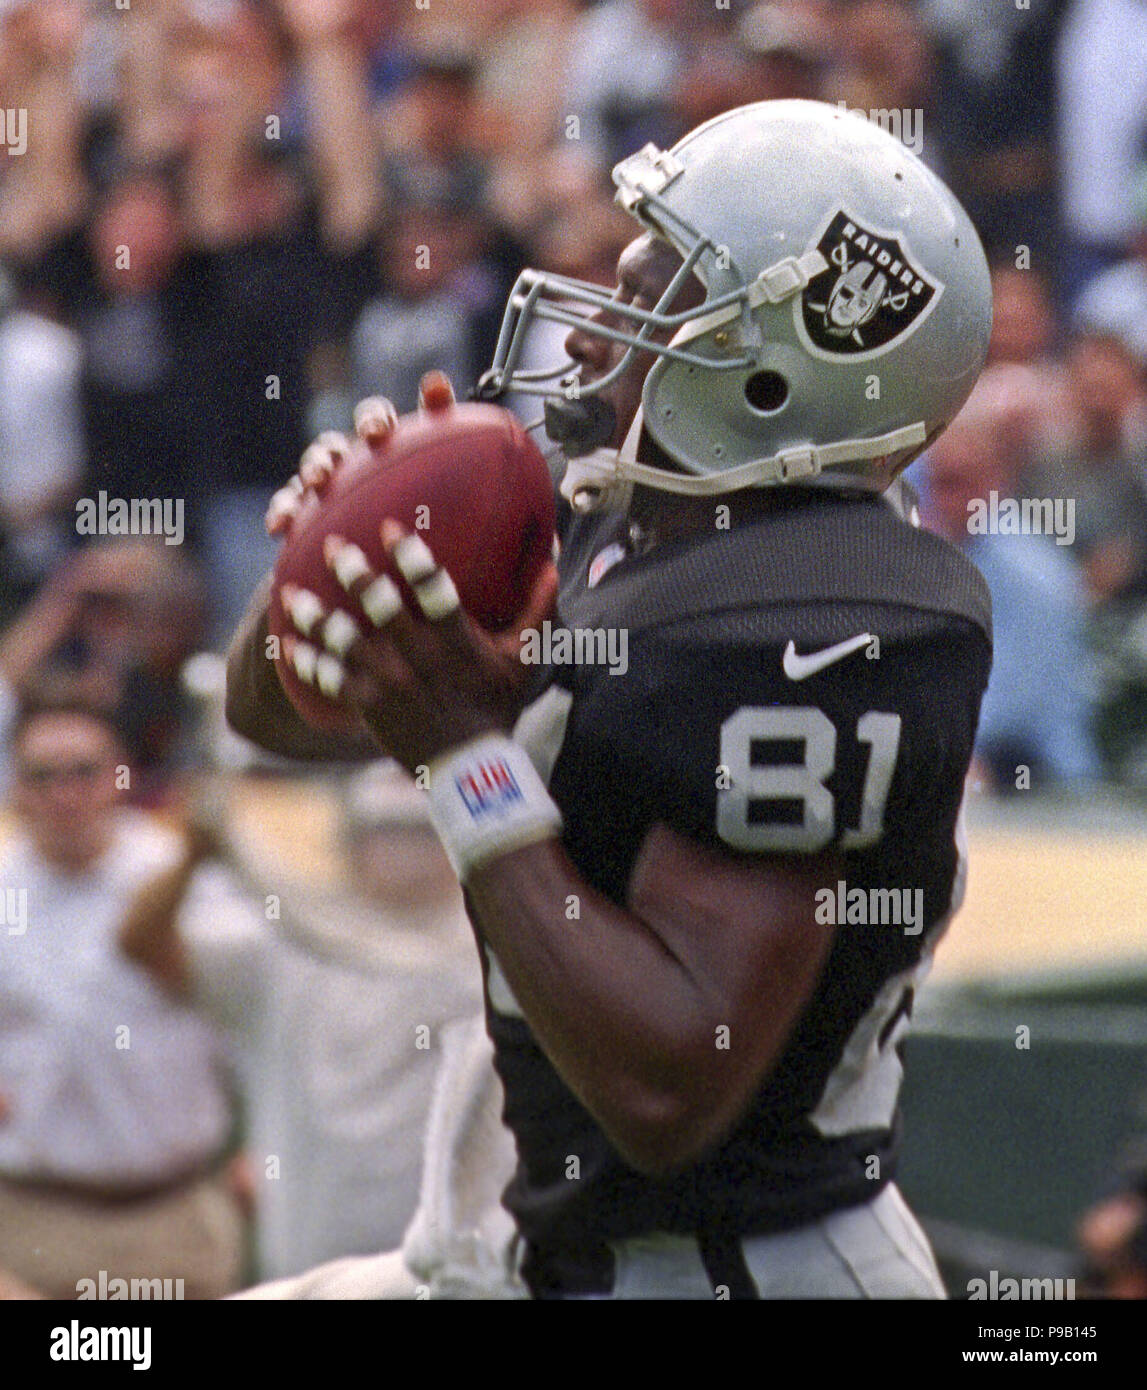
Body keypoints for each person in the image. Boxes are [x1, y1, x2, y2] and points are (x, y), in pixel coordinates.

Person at [227, 100, 994, 1299]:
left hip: (741, 1269)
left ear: (773, 376)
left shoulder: (812, 626)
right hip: (571, 1248)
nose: (596, 330)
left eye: (661, 294)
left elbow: (670, 1087)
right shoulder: (627, 526)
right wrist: (332, 564)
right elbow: (275, 716)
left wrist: (467, 758)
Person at [119, 761, 483, 1282]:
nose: (404, 850)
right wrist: (195, 854)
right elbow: (142, 947)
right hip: (311, 1269)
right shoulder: (276, 949)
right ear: (350, 842)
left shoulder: (496, 956)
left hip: (461, 1274)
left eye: (422, 831)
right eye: (384, 830)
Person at [0, 696, 243, 1299]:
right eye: (41, 775)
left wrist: (265, 1149)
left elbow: (253, 1024)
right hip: (29, 1219)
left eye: (83, 771)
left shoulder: (188, 879)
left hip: (174, 1216)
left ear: (119, 778)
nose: (64, 793)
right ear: (16, 787)